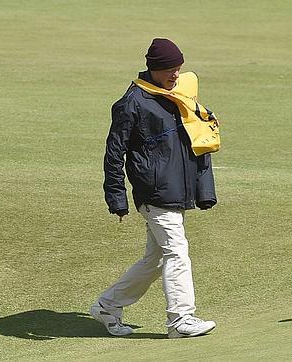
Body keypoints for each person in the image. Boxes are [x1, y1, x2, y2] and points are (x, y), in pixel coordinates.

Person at [90, 38, 218, 339]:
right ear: (154, 69)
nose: (176, 75)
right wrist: (117, 198)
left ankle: (107, 306)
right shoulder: (132, 102)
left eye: (178, 69)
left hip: (176, 192)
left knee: (156, 259)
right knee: (176, 251)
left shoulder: (180, 95)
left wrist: (204, 191)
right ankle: (180, 320)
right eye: (170, 70)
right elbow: (113, 153)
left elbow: (199, 144)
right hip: (155, 195)